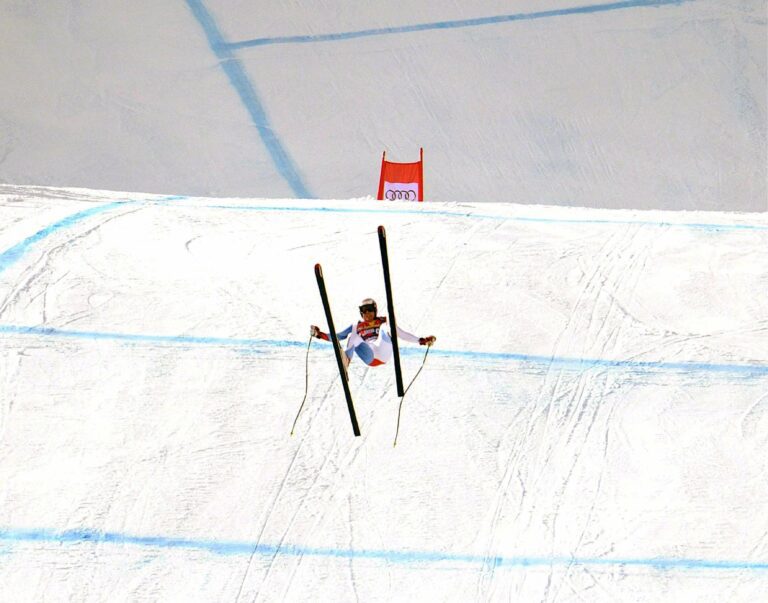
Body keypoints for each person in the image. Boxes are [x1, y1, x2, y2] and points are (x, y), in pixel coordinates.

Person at [311, 298, 436, 369]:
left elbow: (401, 333)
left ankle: (347, 359)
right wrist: (319, 334)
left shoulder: (382, 321)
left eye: (370, 310)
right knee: (352, 335)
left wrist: (421, 341)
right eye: (363, 311)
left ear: (375, 310)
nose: (367, 314)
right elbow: (338, 336)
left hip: (383, 349)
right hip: (370, 355)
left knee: (385, 326)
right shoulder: (357, 325)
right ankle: (346, 361)